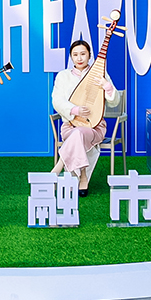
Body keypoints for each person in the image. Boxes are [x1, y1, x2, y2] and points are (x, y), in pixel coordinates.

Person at [50, 40, 120, 197]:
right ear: (71, 57)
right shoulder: (63, 76)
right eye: (75, 55)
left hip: (94, 127)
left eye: (83, 54)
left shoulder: (100, 73)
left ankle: (57, 168)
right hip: (70, 125)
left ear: (89, 55)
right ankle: (83, 176)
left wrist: (107, 87)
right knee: (77, 133)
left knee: (79, 133)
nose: (79, 58)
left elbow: (114, 102)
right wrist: (74, 110)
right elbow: (56, 100)